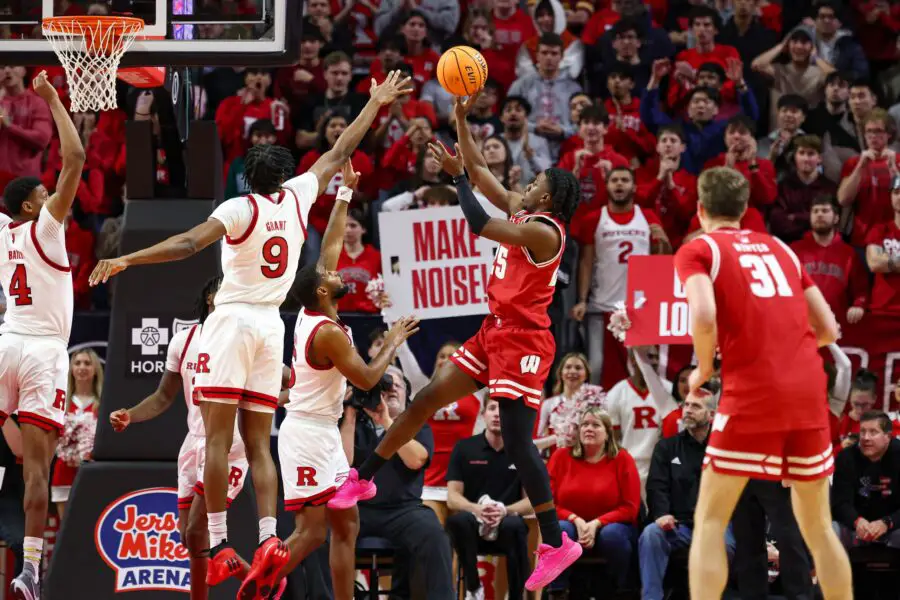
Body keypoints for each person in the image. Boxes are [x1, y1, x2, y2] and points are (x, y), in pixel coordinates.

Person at [89, 71, 414, 600]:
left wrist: (129, 256)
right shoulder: (298, 196)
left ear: (248, 178)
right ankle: (266, 537)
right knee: (259, 441)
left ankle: (218, 547)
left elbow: (190, 242)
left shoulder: (239, 207)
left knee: (219, 437)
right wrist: (375, 100)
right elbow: (341, 148)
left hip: (234, 319)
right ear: (284, 176)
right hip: (271, 326)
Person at [339, 93, 583, 591]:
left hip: (524, 340)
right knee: (426, 397)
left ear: (550, 198)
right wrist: (461, 122)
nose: (526, 183)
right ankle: (362, 476)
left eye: (535, 181)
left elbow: (478, 221)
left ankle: (557, 542)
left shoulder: (545, 233)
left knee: (516, 439)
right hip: (494, 330)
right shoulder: (524, 211)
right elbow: (480, 172)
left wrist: (455, 181)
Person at [674, 166, 852, 600]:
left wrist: (703, 368)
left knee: (711, 520)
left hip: (754, 389)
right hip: (809, 388)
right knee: (818, 528)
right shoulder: (782, 249)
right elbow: (828, 329)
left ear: (700, 210)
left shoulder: (699, 249)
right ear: (746, 210)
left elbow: (702, 316)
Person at [273, 160, 418, 599]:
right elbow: (370, 378)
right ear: (322, 290)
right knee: (313, 532)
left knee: (346, 524)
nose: (337, 272)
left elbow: (330, 247)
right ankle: (259, 585)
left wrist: (344, 193)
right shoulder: (329, 333)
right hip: (308, 433)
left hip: (323, 432)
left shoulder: (316, 307)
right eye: (332, 276)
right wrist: (391, 339)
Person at [109, 276, 260, 600]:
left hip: (228, 441)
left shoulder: (245, 338)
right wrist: (131, 414)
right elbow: (164, 397)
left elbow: (282, 380)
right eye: (224, 291)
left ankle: (262, 581)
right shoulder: (184, 339)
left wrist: (285, 396)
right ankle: (260, 581)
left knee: (196, 528)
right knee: (188, 536)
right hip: (194, 440)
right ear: (209, 297)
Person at [0, 71, 85, 600]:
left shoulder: (3, 230)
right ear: (33, 206)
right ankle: (30, 571)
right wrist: (53, 99)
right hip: (42, 352)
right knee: (37, 472)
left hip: (5, 341)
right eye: (43, 192)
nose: (52, 194)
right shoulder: (45, 228)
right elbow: (74, 159)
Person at [640, 388, 736, 600]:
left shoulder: (724, 449)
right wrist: (661, 514)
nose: (688, 410)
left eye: (696, 406)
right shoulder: (667, 447)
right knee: (650, 535)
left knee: (726, 545)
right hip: (678, 525)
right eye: (686, 405)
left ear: (711, 415)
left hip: (716, 525)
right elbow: (657, 487)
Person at [547, 408, 640, 597]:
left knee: (612, 535)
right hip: (572, 527)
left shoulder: (622, 459)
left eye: (596, 425)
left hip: (613, 528)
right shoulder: (561, 457)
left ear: (607, 434)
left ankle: (624, 591)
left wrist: (597, 523)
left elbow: (631, 508)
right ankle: (557, 592)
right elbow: (547, 504)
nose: (589, 429)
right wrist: (576, 520)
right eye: (585, 424)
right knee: (562, 530)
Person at [446, 398, 532, 600]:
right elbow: (452, 497)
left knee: (515, 526)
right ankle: (473, 588)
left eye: (503, 410)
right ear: (483, 414)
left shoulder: (524, 451)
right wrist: (476, 509)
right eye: (492, 408)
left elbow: (531, 502)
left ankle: (517, 596)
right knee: (457, 520)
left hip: (507, 525)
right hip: (472, 527)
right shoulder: (464, 448)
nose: (497, 414)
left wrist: (504, 510)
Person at [831, 411, 900, 549]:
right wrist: (857, 522)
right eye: (862, 432)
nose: (865, 438)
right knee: (831, 530)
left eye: (873, 432)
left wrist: (886, 523)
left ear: (887, 436)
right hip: (855, 528)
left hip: (893, 528)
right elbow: (840, 502)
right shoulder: (846, 458)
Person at [50, 348, 103, 520]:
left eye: (87, 363)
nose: (82, 367)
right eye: (77, 363)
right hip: (63, 470)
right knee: (66, 527)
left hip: (92, 472)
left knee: (91, 523)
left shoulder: (102, 404)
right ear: (71, 369)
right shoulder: (60, 402)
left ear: (95, 369)